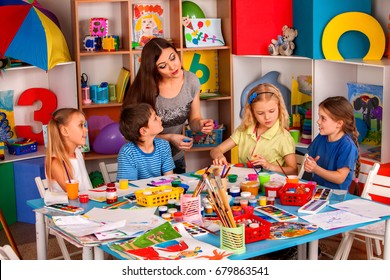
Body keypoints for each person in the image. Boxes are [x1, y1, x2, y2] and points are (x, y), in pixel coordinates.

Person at [123, 38, 214, 173]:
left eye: (173, 58)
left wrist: (201, 124)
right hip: (146, 160)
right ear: (154, 69)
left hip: (175, 158)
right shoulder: (144, 90)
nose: (172, 67)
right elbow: (132, 134)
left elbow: (194, 120)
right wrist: (169, 138)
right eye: (162, 66)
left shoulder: (191, 81)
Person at [211, 83, 297, 175]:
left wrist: (269, 166)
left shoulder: (283, 137)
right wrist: (219, 156)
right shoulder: (243, 130)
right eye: (260, 113)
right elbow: (215, 150)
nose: (267, 117)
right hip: (246, 182)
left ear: (280, 108)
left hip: (271, 186)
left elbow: (293, 171)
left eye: (271, 111)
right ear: (252, 112)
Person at [303, 96, 360, 190]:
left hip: (335, 197)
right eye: (319, 117)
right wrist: (309, 164)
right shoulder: (321, 137)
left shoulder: (347, 146)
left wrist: (316, 169)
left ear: (339, 123)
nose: (318, 121)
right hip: (316, 190)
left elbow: (340, 178)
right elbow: (311, 159)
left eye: (323, 118)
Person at [117, 103, 175, 180]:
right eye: (155, 118)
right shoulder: (127, 152)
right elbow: (128, 186)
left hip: (159, 191)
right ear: (144, 131)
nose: (160, 118)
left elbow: (169, 178)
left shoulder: (164, 145)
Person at [45, 108, 92, 192]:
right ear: (65, 131)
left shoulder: (77, 152)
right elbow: (74, 195)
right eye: (81, 125)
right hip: (73, 204)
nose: (86, 130)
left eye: (84, 125)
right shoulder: (56, 162)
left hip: (86, 203)